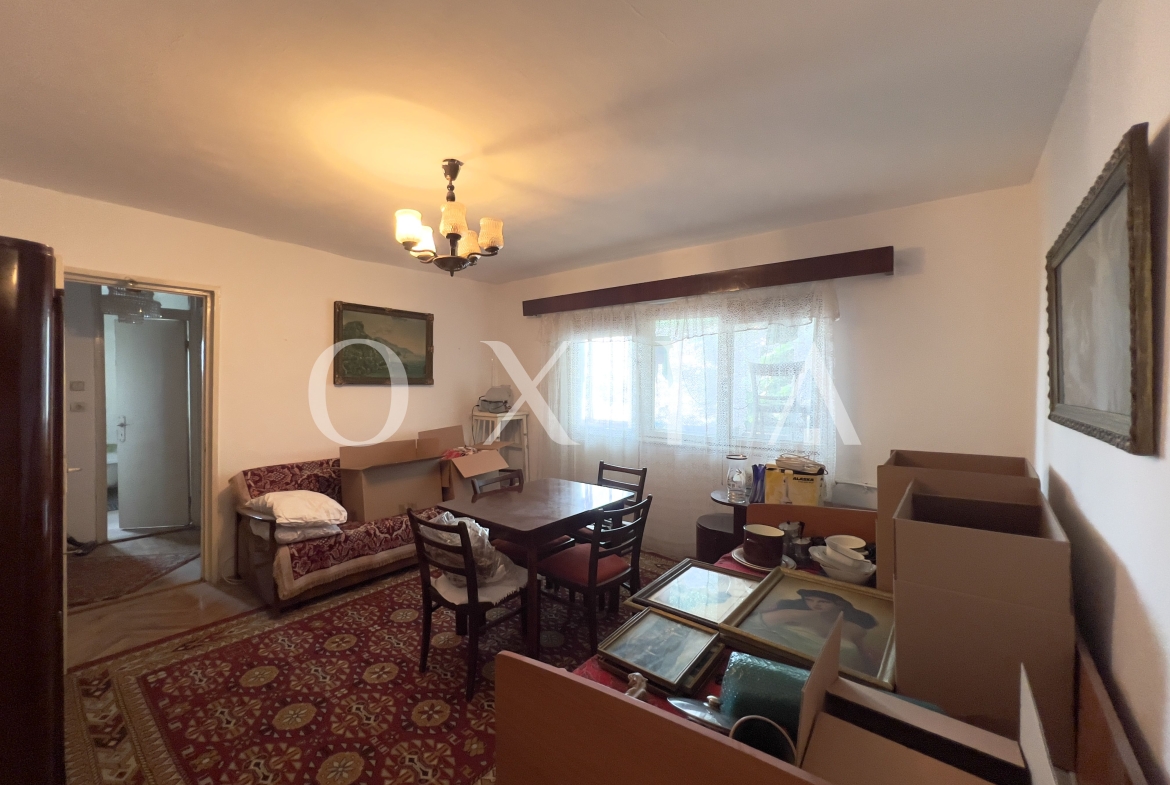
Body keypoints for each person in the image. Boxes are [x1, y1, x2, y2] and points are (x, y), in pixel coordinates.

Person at [749, 588, 882, 675]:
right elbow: (752, 624)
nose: (814, 605)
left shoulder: (855, 628)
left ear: (840, 604)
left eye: (823, 602)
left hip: (829, 673)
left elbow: (861, 654)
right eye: (809, 600)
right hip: (783, 662)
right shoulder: (795, 614)